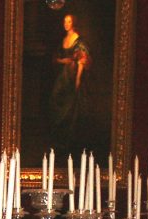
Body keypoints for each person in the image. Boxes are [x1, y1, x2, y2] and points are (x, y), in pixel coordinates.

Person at [48, 13, 90, 155]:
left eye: (69, 21)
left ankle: (70, 142)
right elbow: (58, 59)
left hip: (72, 77)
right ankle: (59, 140)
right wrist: (62, 61)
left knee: (72, 107)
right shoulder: (63, 40)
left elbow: (82, 61)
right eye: (65, 21)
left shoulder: (78, 41)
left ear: (74, 23)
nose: (66, 24)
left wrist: (78, 79)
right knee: (55, 100)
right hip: (62, 77)